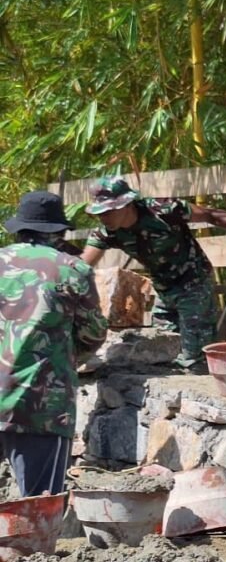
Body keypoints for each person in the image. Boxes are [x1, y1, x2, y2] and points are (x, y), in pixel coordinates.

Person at [80, 177, 226, 367]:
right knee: (163, 352)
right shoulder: (107, 232)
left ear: (127, 204)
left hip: (193, 284)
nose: (103, 217)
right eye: (100, 213)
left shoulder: (163, 210)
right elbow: (82, 265)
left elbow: (209, 214)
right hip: (163, 290)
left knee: (193, 357)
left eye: (108, 211)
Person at [1, 192, 108, 496]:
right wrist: (72, 355)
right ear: (59, 231)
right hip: (42, 405)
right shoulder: (73, 270)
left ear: (19, 227)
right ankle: (33, 545)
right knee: (39, 501)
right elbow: (93, 333)